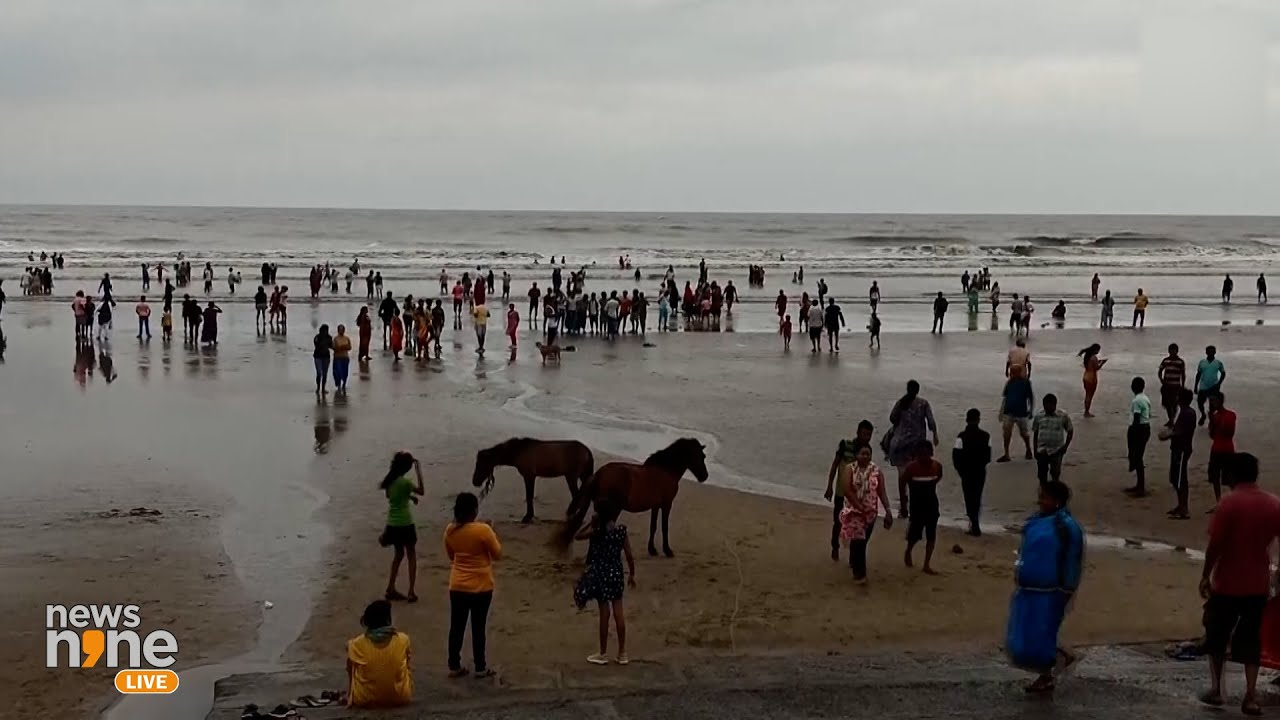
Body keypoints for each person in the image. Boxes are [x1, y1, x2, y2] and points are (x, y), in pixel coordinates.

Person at [1197, 453, 1280, 715]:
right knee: (1251, 639)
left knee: (1217, 635)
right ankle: (1250, 695)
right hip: (1257, 582)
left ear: (1233, 474)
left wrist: (1205, 574)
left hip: (1227, 582)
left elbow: (1215, 545)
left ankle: (1217, 690)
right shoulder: (1273, 503)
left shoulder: (1228, 503)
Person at [1010, 480, 1084, 694]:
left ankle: (1049, 673)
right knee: (1024, 634)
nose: (1040, 501)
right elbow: (1025, 551)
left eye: (1045, 497)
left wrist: (1067, 588)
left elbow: (1073, 559)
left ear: (1057, 501)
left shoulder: (1067, 527)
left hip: (1052, 591)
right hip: (1028, 588)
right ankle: (1057, 661)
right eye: (1040, 496)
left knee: (1042, 634)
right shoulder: (1034, 522)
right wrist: (1019, 572)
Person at [444, 492, 501, 679]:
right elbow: (497, 553)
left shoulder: (450, 530)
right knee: (478, 627)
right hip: (481, 585)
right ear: (474, 511)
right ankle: (480, 666)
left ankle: (454, 665)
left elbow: (451, 556)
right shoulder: (483, 530)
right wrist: (491, 531)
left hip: (458, 584)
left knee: (456, 627)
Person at [574, 510, 637, 664]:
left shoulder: (596, 532)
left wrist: (590, 522)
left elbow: (578, 535)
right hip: (616, 573)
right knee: (619, 613)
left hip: (601, 575)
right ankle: (622, 652)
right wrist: (632, 574)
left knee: (604, 613)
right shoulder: (620, 531)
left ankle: (602, 653)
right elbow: (629, 555)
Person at [838, 444, 893, 583]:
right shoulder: (850, 469)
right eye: (862, 453)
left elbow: (882, 492)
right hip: (854, 511)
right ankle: (860, 573)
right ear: (857, 455)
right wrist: (858, 506)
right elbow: (847, 489)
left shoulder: (876, 471)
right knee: (860, 541)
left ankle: (854, 562)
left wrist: (888, 511)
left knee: (862, 540)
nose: (865, 456)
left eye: (868, 454)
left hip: (870, 513)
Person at [345, 600, 413, 709]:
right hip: (400, 697)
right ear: (388, 620)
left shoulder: (356, 644)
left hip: (365, 698)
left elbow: (350, 668)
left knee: (352, 662)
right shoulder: (403, 639)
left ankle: (350, 694)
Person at [824, 420, 875, 561]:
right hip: (841, 492)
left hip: (857, 496)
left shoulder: (867, 451)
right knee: (838, 521)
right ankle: (835, 547)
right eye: (864, 434)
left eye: (869, 435)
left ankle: (853, 555)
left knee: (856, 524)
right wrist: (829, 486)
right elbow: (835, 465)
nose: (866, 438)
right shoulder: (845, 445)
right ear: (858, 433)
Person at [887, 381, 939, 518]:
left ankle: (903, 507)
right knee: (915, 475)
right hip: (916, 447)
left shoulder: (901, 402)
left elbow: (892, 418)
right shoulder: (923, 403)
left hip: (899, 444)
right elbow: (931, 421)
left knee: (902, 476)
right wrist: (935, 435)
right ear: (918, 390)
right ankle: (915, 506)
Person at [380, 452, 424, 602]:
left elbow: (391, 496)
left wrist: (409, 497)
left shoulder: (390, 482)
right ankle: (411, 591)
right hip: (406, 523)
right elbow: (422, 491)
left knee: (398, 555)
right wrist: (419, 471)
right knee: (411, 555)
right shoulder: (406, 483)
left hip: (392, 524)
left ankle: (390, 587)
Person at [901, 441, 942, 575]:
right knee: (914, 534)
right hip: (916, 506)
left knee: (931, 535)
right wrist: (903, 504)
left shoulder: (936, 466)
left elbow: (938, 478)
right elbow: (902, 483)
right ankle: (908, 550)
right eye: (921, 454)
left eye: (926, 454)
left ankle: (926, 564)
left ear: (931, 453)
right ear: (916, 455)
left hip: (932, 504)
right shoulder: (911, 468)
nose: (924, 457)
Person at [953, 409, 992, 537]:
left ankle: (973, 521)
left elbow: (956, 456)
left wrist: (960, 470)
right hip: (979, 470)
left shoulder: (961, 436)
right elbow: (988, 457)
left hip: (966, 470)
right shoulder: (986, 436)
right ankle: (975, 522)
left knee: (968, 496)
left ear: (966, 419)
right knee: (977, 496)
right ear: (978, 419)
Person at [1160, 388, 1196, 519]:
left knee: (1180, 479)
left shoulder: (1187, 413)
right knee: (1176, 478)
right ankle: (1181, 505)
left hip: (1181, 449)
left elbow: (1180, 432)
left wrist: (1167, 435)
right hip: (1180, 449)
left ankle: (1184, 509)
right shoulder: (1186, 412)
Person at [1032, 394, 1073, 485]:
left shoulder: (1063, 416)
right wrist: (1035, 450)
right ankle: (1043, 489)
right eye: (1046, 406)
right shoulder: (1039, 416)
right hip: (1042, 449)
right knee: (1042, 473)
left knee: (1055, 472)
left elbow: (1070, 430)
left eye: (1050, 406)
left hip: (1057, 449)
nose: (1048, 408)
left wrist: (1065, 446)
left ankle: (1054, 490)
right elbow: (1035, 433)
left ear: (1055, 405)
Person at [1205, 392, 1236, 510]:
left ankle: (1234, 500)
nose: (1211, 404)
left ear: (1220, 401)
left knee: (1230, 478)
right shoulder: (1216, 416)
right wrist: (1212, 421)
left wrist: (1215, 420)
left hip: (1226, 450)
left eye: (1213, 401)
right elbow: (1212, 435)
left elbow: (1229, 433)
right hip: (1217, 449)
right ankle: (1219, 501)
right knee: (1215, 478)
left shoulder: (1230, 415)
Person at [1124, 377, 1154, 498]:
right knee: (1138, 457)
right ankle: (1139, 485)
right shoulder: (1145, 398)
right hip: (1145, 427)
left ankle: (1141, 487)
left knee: (1137, 457)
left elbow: (1136, 418)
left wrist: (1132, 434)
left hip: (1139, 429)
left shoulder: (1136, 401)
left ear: (1133, 387)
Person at [998, 375, 1035, 463]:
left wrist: (1031, 410)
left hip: (1020, 412)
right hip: (1009, 412)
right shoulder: (1010, 382)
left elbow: (1030, 397)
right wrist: (1002, 411)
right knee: (1007, 433)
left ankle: (1028, 449)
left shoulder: (1025, 383)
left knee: (1024, 433)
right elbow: (1005, 397)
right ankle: (1007, 454)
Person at [1195, 345, 1227, 426]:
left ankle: (1211, 420)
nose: (1210, 353)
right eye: (1209, 351)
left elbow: (1223, 373)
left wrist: (1219, 383)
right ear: (1206, 352)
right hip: (1203, 386)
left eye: (1212, 351)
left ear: (1215, 352)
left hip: (1214, 386)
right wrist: (1195, 386)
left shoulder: (1218, 363)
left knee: (1212, 406)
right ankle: (1203, 414)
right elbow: (1198, 374)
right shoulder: (1202, 362)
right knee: (1200, 403)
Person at [1157, 343, 1187, 426]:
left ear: (1177, 351)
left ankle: (1172, 420)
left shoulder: (1180, 362)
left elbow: (1183, 374)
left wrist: (1183, 385)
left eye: (1174, 350)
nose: (1172, 352)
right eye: (1171, 350)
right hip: (1166, 386)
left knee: (1174, 404)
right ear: (1168, 351)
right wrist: (1161, 380)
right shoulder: (1165, 360)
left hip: (1176, 386)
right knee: (1166, 404)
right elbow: (1160, 371)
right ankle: (1171, 419)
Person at [1077, 344, 1107, 417]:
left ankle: (1086, 411)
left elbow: (1090, 365)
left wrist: (1098, 362)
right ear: (1095, 350)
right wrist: (1102, 363)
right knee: (1089, 396)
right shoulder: (1094, 357)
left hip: (1086, 376)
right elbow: (1096, 368)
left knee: (1087, 394)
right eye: (1098, 350)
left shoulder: (1087, 357)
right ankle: (1086, 412)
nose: (1098, 351)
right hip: (1092, 378)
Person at [313, 324, 333, 394]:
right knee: (319, 373)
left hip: (326, 357)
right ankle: (318, 387)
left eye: (326, 330)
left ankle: (323, 388)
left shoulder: (329, 337)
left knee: (325, 373)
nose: (325, 332)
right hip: (318, 356)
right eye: (324, 330)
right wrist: (323, 342)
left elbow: (331, 346)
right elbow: (316, 345)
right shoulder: (317, 337)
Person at [333, 325, 352, 393]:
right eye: (340, 330)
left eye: (342, 330)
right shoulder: (335, 339)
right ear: (338, 330)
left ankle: (344, 384)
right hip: (338, 357)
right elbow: (334, 347)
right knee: (338, 372)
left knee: (345, 372)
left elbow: (350, 347)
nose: (341, 331)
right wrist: (340, 348)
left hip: (345, 357)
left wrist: (345, 347)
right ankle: (338, 385)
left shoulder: (347, 338)